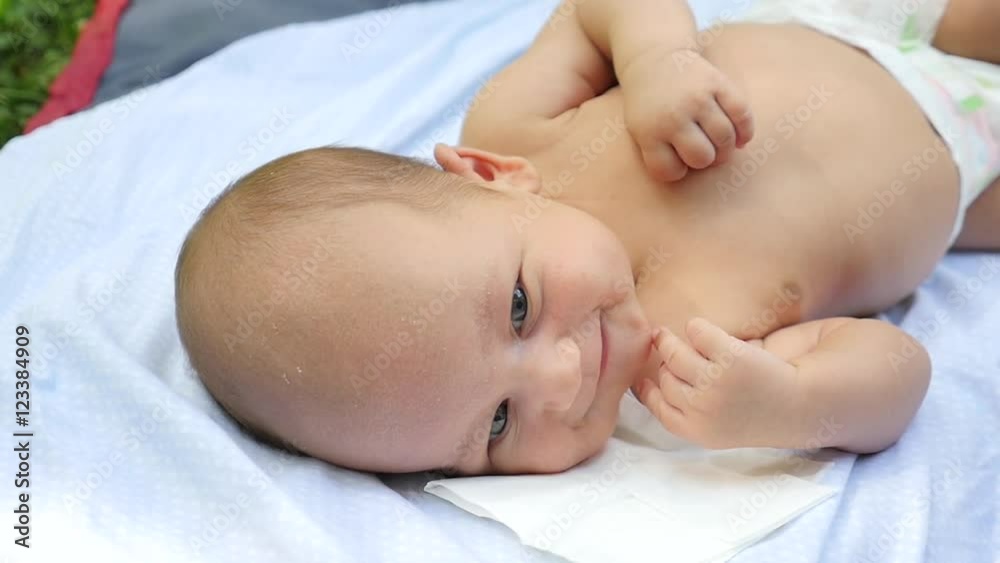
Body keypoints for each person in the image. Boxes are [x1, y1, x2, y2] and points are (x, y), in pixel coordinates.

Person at [174, 0, 1000, 475]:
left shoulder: (525, 131)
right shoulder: (688, 367)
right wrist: (792, 406)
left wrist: (656, 63)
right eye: (499, 423)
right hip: (966, 179)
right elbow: (898, 373)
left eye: (521, 305)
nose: (564, 374)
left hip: (868, 26)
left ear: (489, 176)